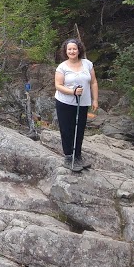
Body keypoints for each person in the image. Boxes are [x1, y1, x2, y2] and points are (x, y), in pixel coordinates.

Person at [54, 38, 99, 172]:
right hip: (65, 102)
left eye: (74, 48)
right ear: (65, 51)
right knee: (67, 130)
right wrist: (72, 91)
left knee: (79, 129)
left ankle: (77, 156)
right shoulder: (62, 67)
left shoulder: (87, 64)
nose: (72, 51)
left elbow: (93, 82)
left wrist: (95, 100)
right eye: (69, 49)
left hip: (83, 103)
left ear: (79, 49)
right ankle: (69, 157)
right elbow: (58, 85)